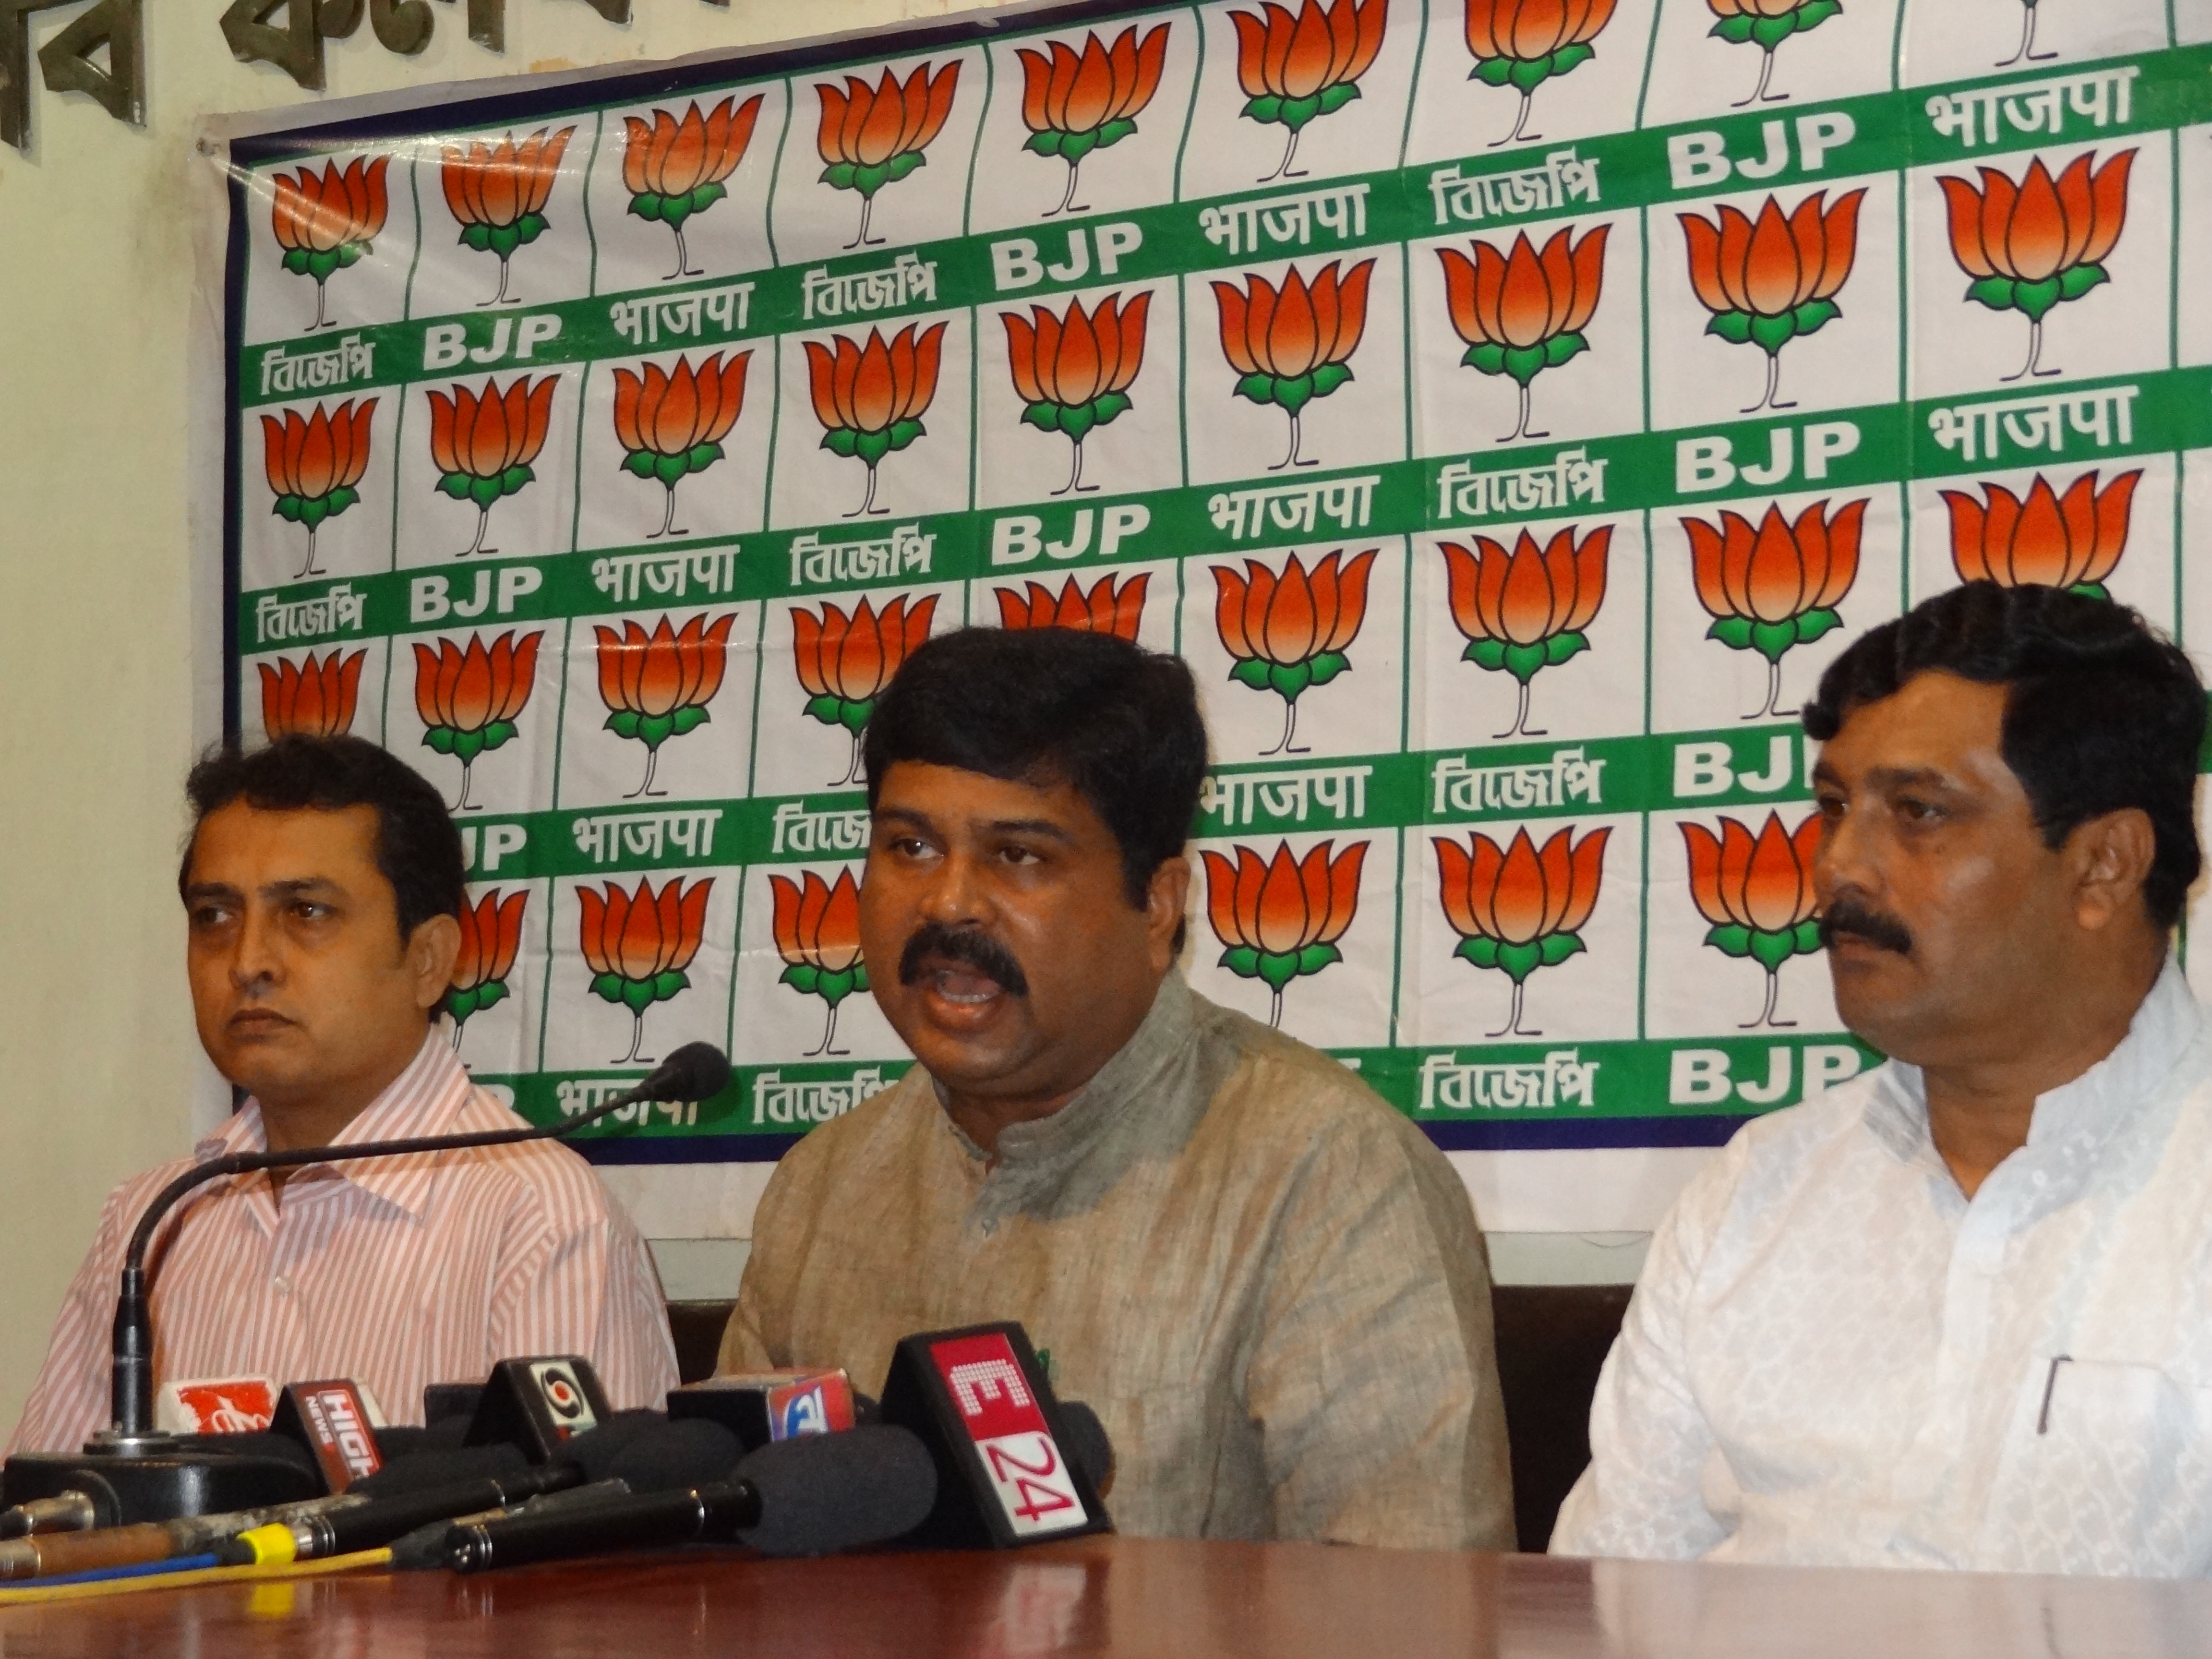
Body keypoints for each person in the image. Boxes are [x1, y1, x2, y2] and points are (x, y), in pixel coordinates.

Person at [720, 626, 1513, 1548]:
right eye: (910, 846)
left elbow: (1416, 1613)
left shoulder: (1330, 1178)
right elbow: (734, 1563)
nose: (947, 903)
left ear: (1159, 904)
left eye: (1019, 856)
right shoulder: (820, 1188)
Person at [1552, 581, 2212, 1575]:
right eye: (1832, 808)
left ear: (2104, 866)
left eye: (1918, 813)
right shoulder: (1754, 1196)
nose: (1838, 867)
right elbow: (1609, 1597)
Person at [7, 736, 677, 1453]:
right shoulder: (153, 1221)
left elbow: (587, 1551)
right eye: (215, 917)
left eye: (307, 913)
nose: (249, 962)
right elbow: (48, 1529)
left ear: (428, 960)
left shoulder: (540, 1221)